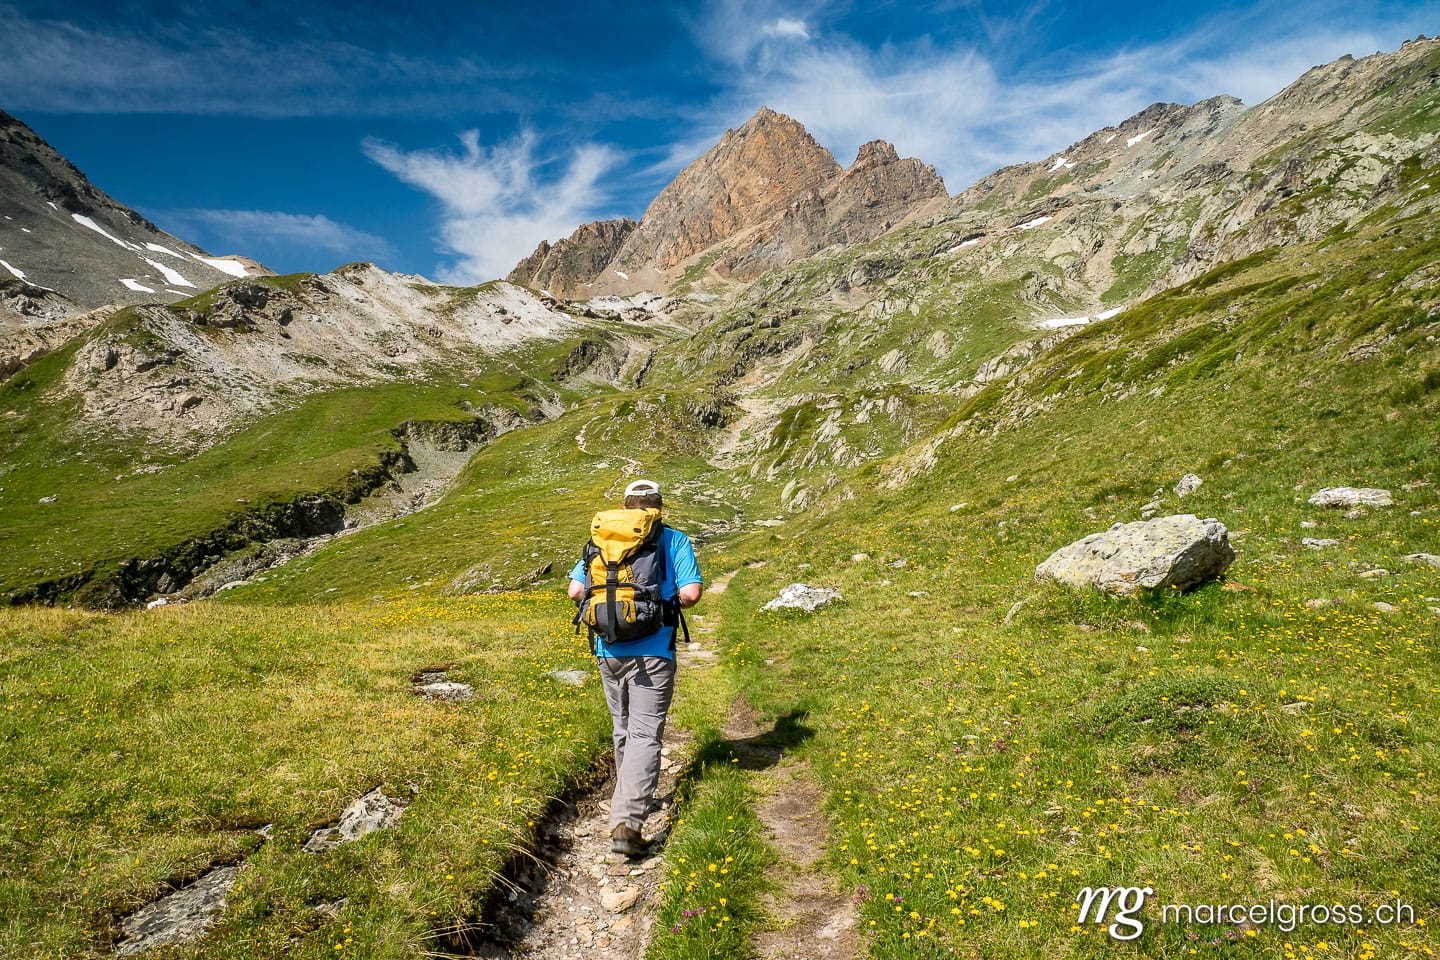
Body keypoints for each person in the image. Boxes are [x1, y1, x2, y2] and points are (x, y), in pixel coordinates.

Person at [568, 479, 703, 857]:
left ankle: (625, 800)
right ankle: (627, 823)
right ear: (659, 507)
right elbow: (690, 593)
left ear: (625, 506)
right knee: (645, 734)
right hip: (653, 650)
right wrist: (670, 600)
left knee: (623, 726)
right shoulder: (671, 538)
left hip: (607, 648)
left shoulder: (602, 538)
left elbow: (575, 592)